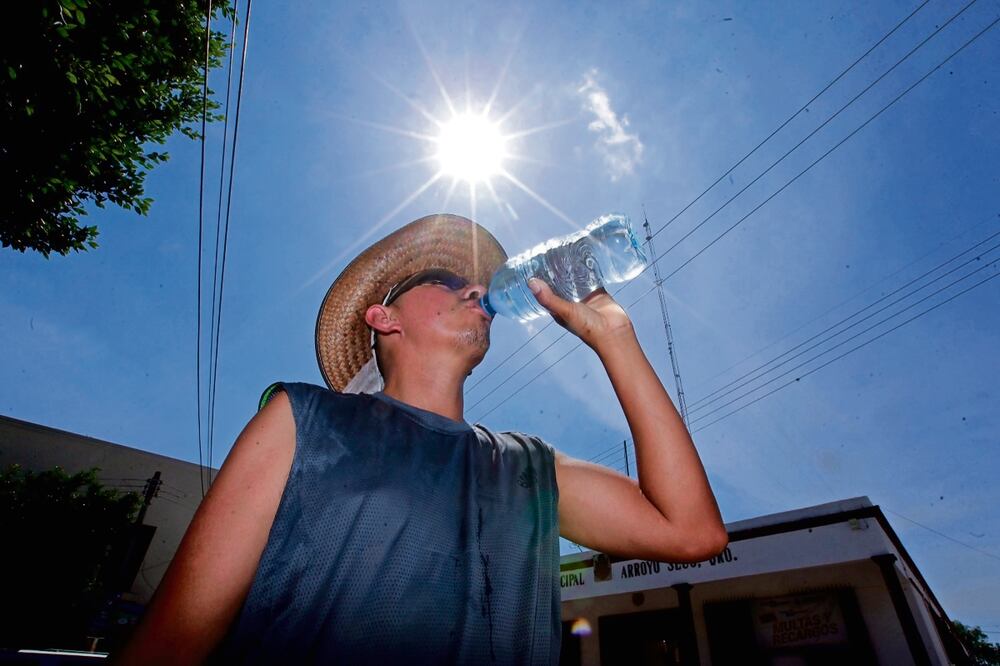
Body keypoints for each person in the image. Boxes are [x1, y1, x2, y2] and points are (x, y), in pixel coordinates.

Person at [115, 213, 727, 665]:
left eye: (475, 281)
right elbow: (170, 645)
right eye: (444, 278)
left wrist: (614, 338)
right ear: (384, 318)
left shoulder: (529, 468)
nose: (475, 289)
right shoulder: (304, 421)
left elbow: (692, 532)